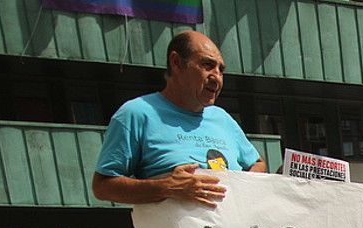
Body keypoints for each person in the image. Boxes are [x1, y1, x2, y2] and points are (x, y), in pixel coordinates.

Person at [91, 31, 266, 208]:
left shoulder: (222, 118)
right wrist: (167, 187)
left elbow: (257, 164)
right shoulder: (136, 113)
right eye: (207, 65)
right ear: (176, 63)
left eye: (221, 70)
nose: (217, 77)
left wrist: (242, 187)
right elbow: (102, 187)